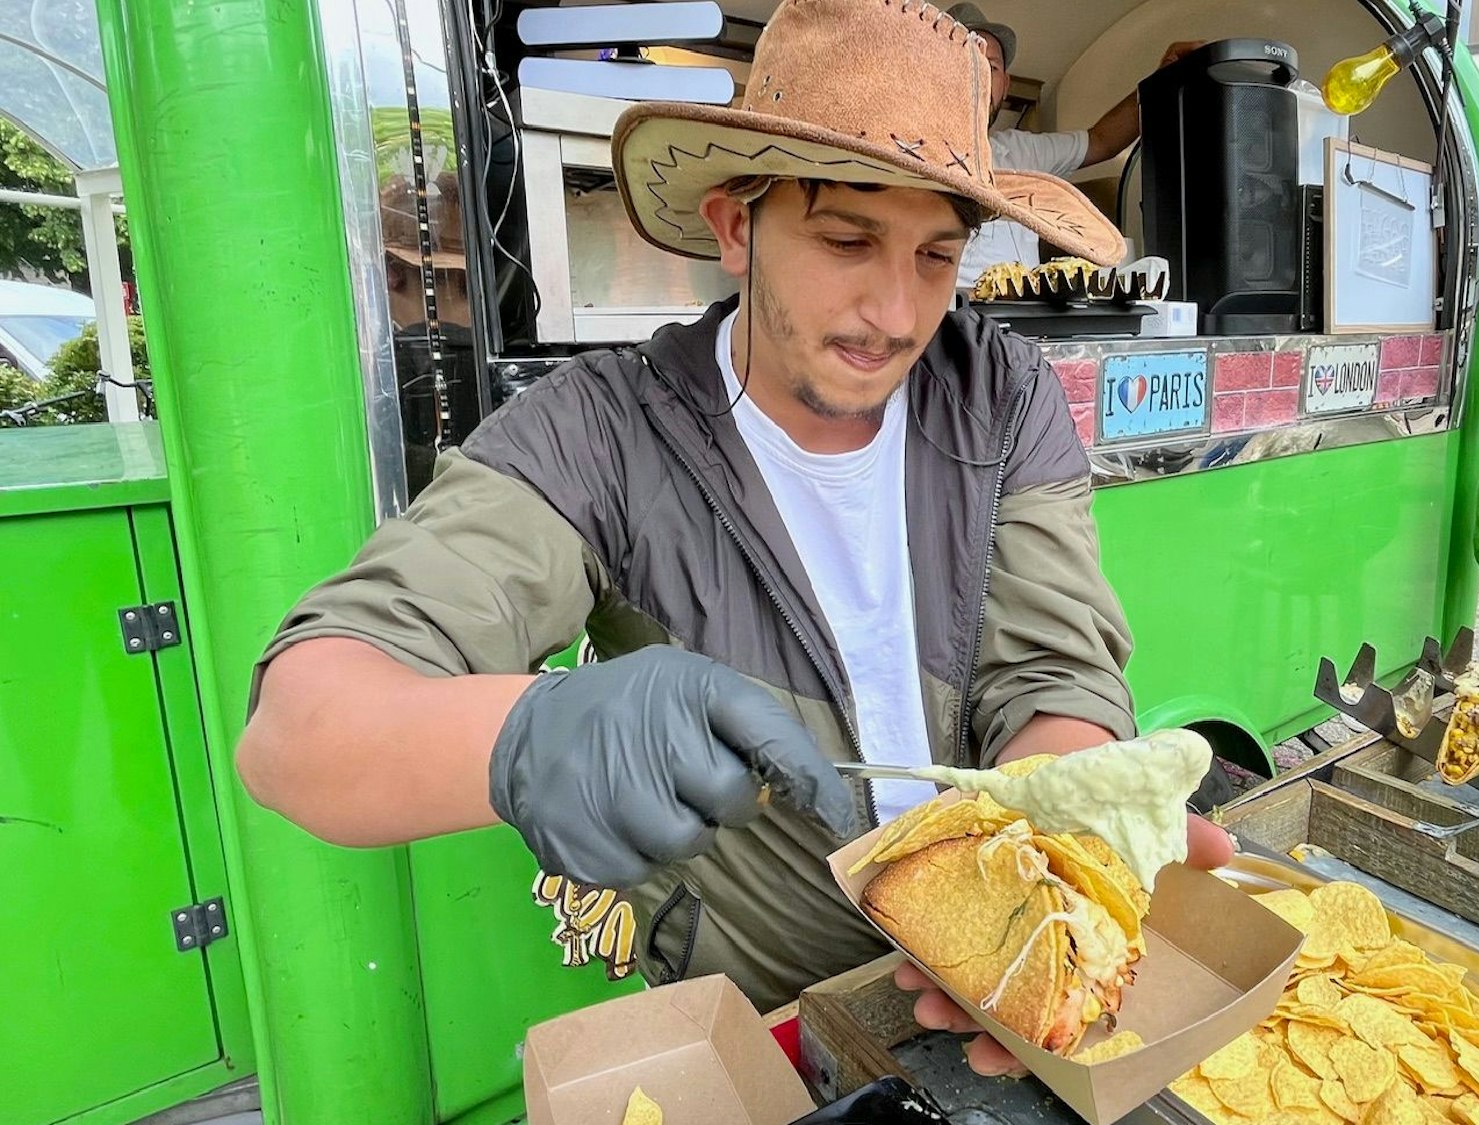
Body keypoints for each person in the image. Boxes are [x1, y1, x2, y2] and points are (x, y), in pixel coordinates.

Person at [235, 0, 1231, 1079]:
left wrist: (1050, 851)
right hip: (765, 1020)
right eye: (846, 240)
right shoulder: (600, 430)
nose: (897, 314)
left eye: (937, 256)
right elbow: (298, 735)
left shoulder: (997, 391)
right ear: (734, 226)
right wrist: (530, 735)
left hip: (993, 975)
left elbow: (1054, 667)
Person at [947, 2, 1200, 288]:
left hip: (1022, 312)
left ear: (1005, 85)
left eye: (990, 66)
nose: (979, 75)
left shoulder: (1020, 152)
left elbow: (1101, 141)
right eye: (966, 60)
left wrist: (1162, 81)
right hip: (947, 310)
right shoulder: (909, 157)